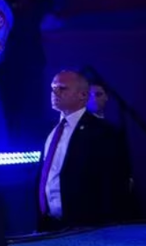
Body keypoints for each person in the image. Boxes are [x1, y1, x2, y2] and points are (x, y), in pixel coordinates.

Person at [36, 70, 129, 231]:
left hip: (87, 227)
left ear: (83, 95)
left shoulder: (103, 132)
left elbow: (113, 183)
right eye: (53, 88)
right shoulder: (50, 130)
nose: (55, 93)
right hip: (49, 225)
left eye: (62, 88)